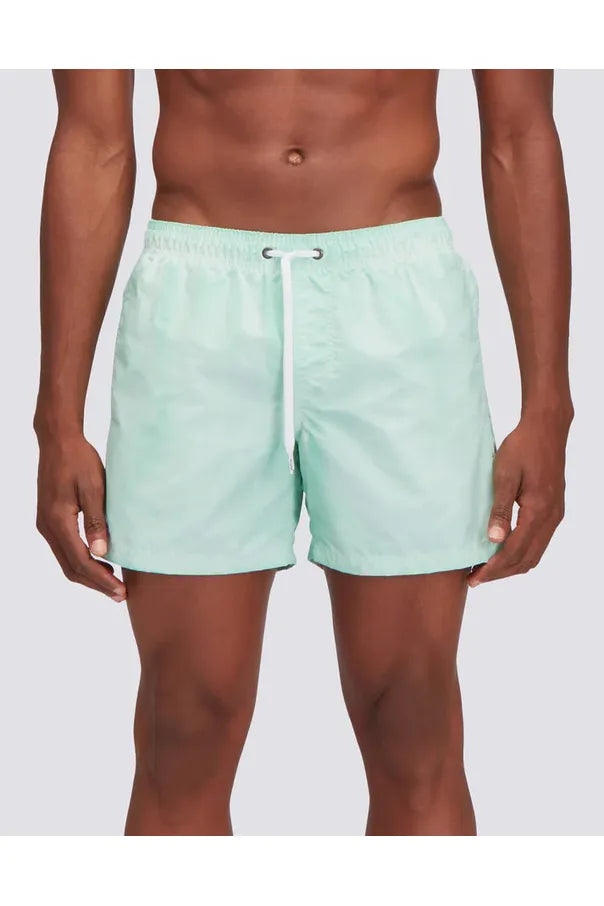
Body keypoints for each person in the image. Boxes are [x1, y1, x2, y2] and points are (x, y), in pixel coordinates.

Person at [34, 70, 572, 836]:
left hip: (396, 299)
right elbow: (93, 139)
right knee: (184, 721)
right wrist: (57, 420)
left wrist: (549, 405)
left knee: (411, 715)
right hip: (195, 306)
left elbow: (520, 132)